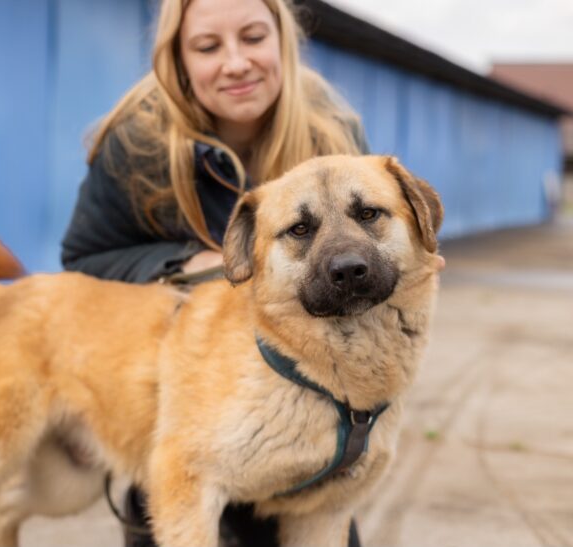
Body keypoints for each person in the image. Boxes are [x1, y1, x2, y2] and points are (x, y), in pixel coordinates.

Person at [61, 0, 368, 545]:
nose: (236, 62)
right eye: (208, 46)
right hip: (184, 409)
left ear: (283, 38)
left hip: (307, 419)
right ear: (178, 58)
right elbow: (83, 262)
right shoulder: (136, 141)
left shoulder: (334, 132)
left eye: (253, 37)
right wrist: (184, 264)